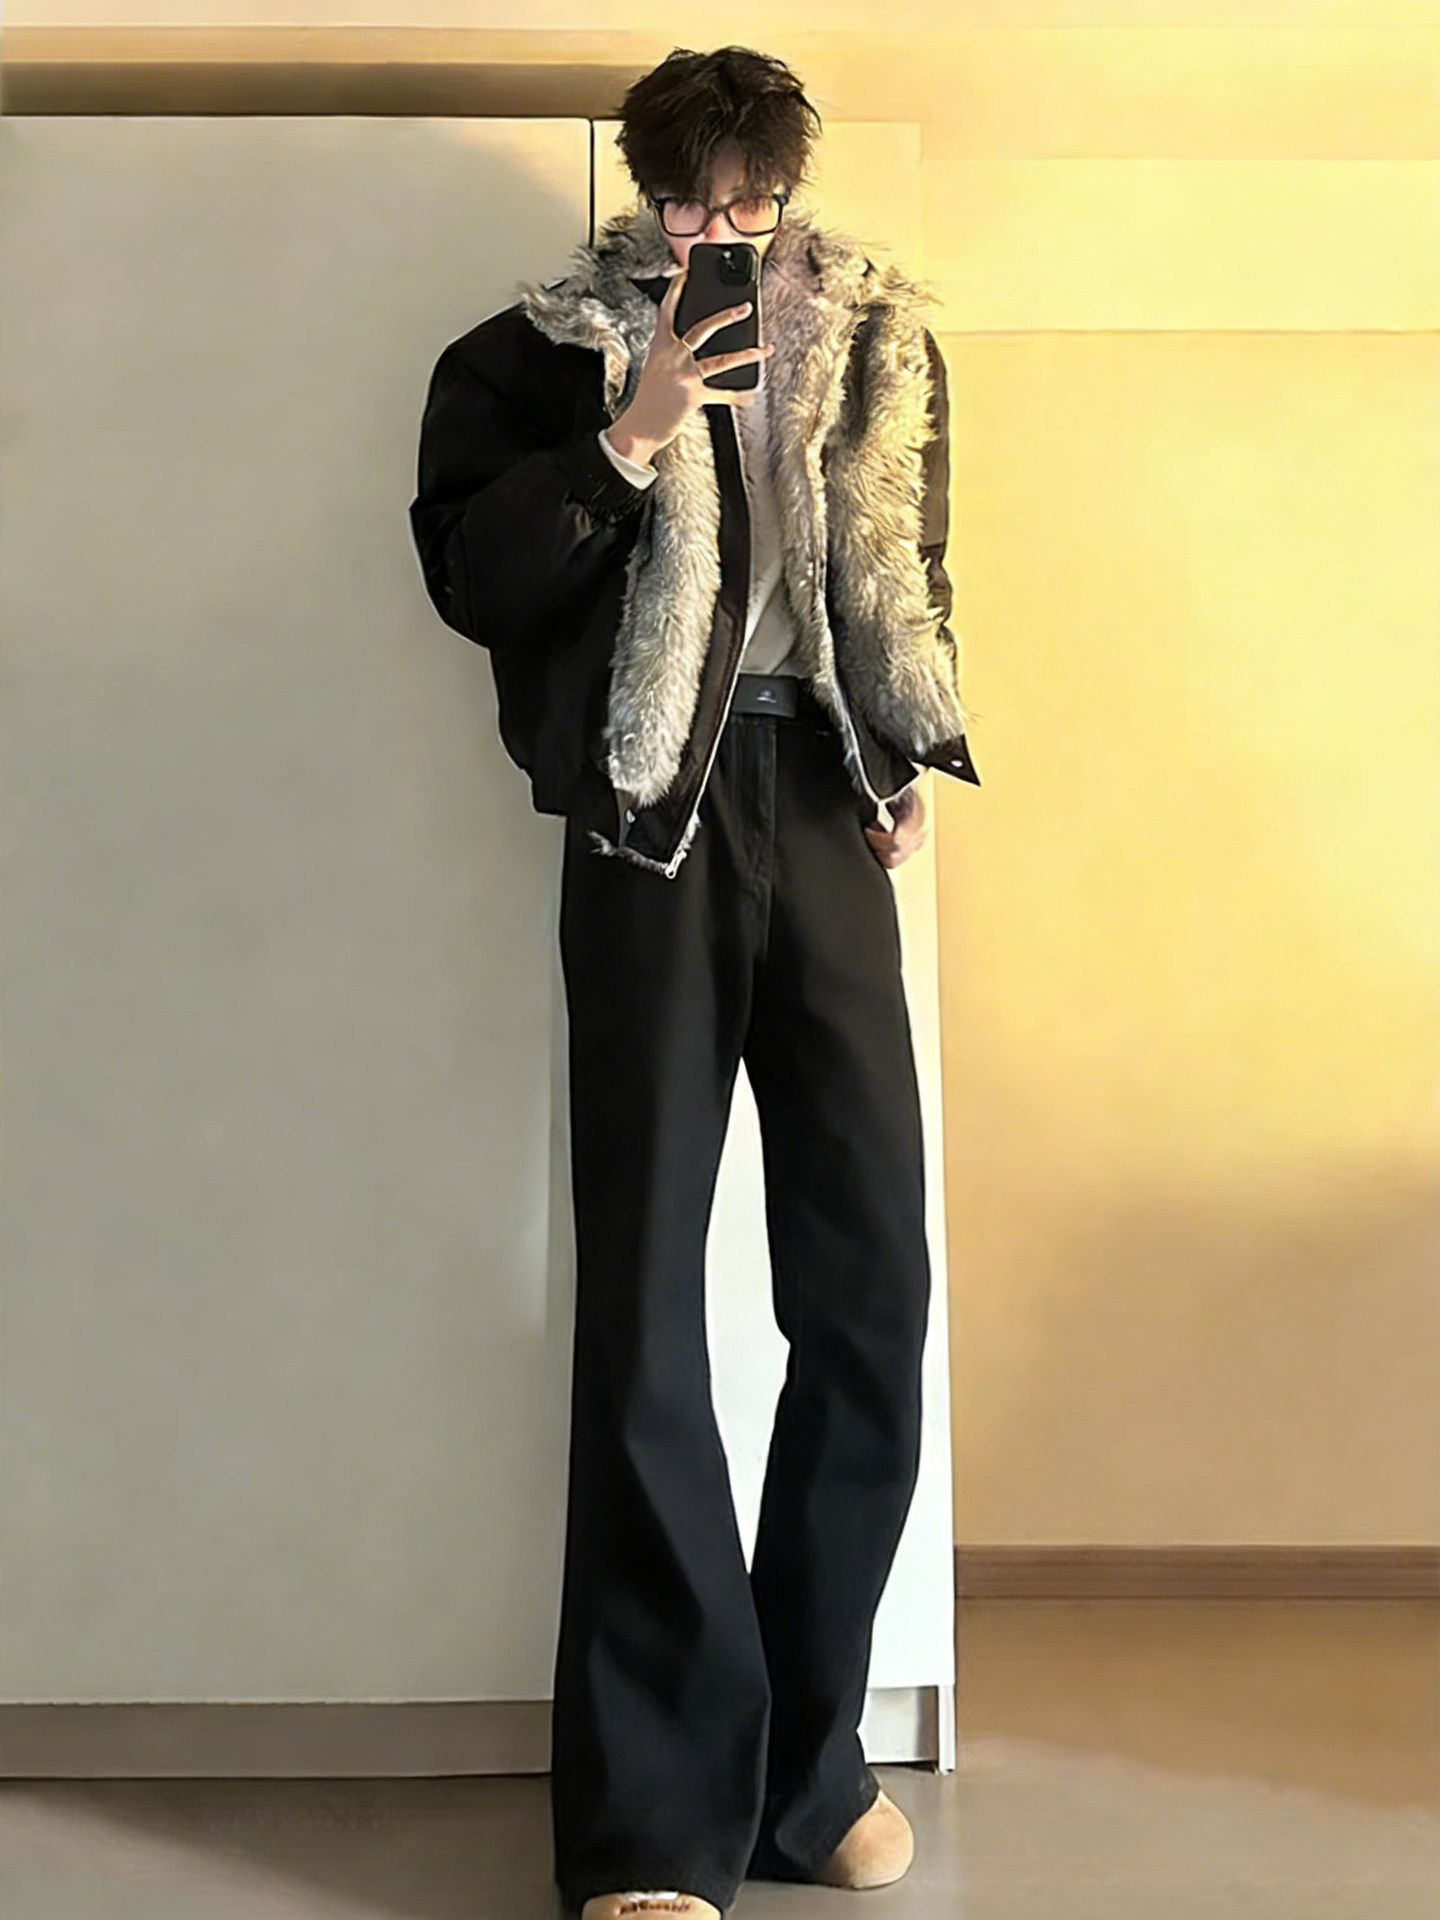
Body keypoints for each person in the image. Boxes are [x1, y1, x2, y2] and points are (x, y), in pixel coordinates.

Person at [407, 45, 981, 1920]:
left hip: (819, 800)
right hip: (648, 818)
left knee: (872, 1288)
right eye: (683, 199)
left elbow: (905, 565)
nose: (713, 230)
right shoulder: (536, 354)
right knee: (646, 1302)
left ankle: (806, 1772)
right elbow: (473, 577)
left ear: (789, 191)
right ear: (639, 186)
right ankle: (655, 1818)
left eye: (745, 202)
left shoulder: (882, 343)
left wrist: (897, 745)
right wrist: (633, 432)